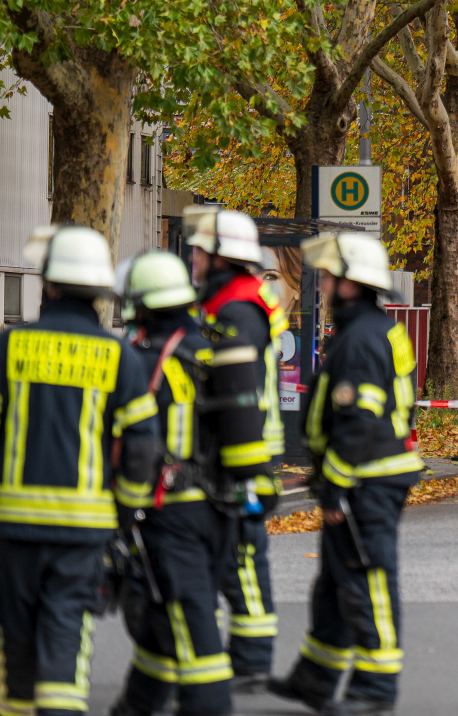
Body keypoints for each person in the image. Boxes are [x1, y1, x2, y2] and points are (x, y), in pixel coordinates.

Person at [0, 225, 160, 716]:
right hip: (84, 530)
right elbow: (142, 445)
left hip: (13, 525)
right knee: (67, 624)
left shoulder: (8, 347)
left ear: (48, 284)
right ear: (99, 290)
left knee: (17, 626)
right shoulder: (120, 357)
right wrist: (128, 506)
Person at [111, 249, 273, 716]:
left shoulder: (141, 360)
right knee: (164, 616)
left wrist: (119, 514)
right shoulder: (214, 346)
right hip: (221, 507)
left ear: (140, 303)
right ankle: (134, 708)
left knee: (191, 624)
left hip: (170, 512)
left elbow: (131, 445)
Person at [270, 233, 424, 716]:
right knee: (336, 580)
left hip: (365, 479)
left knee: (366, 576)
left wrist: (335, 486)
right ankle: (315, 678)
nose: (323, 286)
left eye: (331, 278)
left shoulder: (359, 340)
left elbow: (357, 424)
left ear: (352, 284)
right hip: (373, 473)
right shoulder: (377, 330)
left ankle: (376, 688)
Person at [186, 207, 286, 691]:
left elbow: (236, 390)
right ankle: (246, 655)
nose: (193, 258)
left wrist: (246, 469)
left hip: (242, 454)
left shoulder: (238, 309)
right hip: (233, 450)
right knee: (234, 554)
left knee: (244, 556)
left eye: (200, 251)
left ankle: (251, 659)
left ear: (223, 257)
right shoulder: (230, 302)